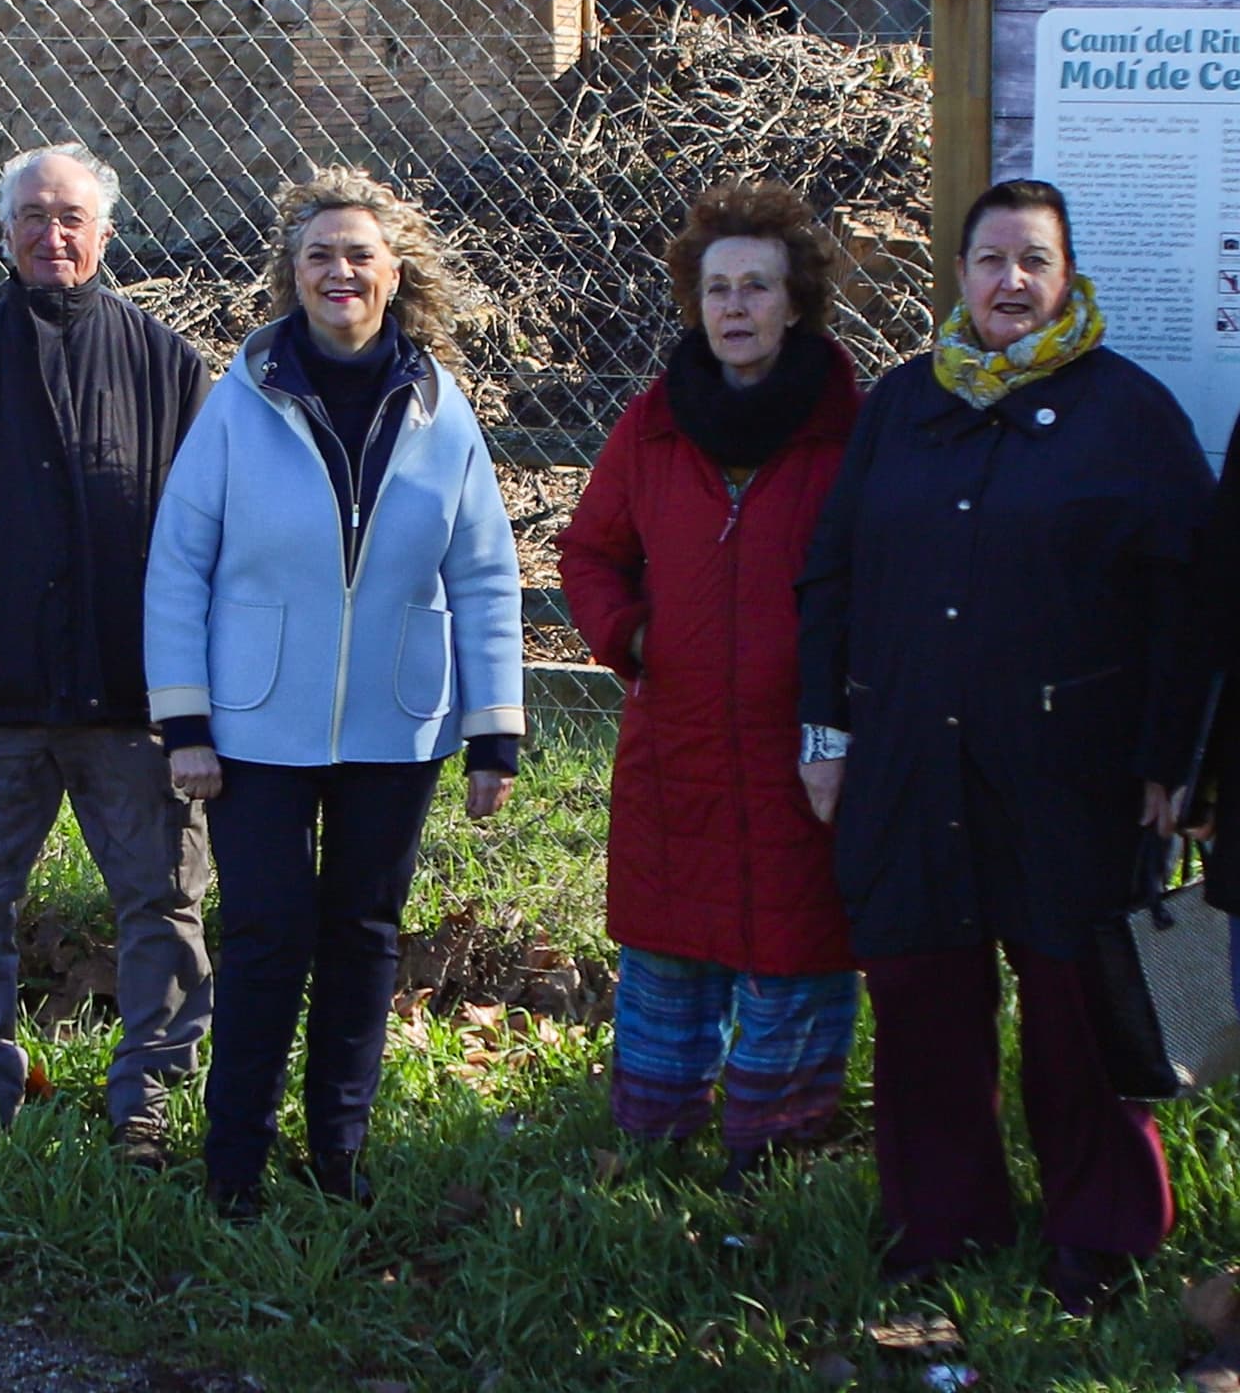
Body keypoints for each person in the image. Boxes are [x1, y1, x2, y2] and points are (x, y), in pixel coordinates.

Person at [796, 176, 1213, 1312]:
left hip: (1076, 775)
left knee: (1084, 1009)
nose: (1011, 282)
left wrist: (1173, 760)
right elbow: (831, 574)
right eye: (991, 260)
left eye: (1035, 261)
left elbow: (1189, 604)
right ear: (962, 275)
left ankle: (1102, 1235)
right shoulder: (902, 402)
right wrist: (825, 732)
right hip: (908, 761)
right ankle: (942, 1228)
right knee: (925, 999)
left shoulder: (1130, 414)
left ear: (1068, 276)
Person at [145, 168, 524, 1219]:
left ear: (396, 273)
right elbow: (178, 564)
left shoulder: (442, 410)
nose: (340, 271)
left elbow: (483, 571)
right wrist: (185, 720)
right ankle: (234, 1162)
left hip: (396, 725)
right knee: (268, 934)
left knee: (364, 937)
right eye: (319, 254)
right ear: (292, 273)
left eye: (360, 254)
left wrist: (493, 730)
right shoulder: (240, 400)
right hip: (253, 724)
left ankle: (338, 1155)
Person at [0, 142, 217, 1162]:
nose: (52, 235)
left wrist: (181, 662)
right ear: (5, 233)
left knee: (162, 901)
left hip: (133, 696)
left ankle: (147, 1104)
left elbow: (214, 525)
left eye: (71, 218)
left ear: (106, 232)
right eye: (33, 217)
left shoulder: (168, 365)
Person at [557, 181, 861, 1182]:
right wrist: (631, 636)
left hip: (803, 747)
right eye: (718, 287)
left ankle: (773, 1154)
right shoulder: (653, 424)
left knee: (794, 942)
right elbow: (589, 553)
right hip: (675, 741)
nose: (735, 306)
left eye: (757, 287)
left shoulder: (849, 429)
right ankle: (654, 1141)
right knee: (669, 943)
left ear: (795, 301)